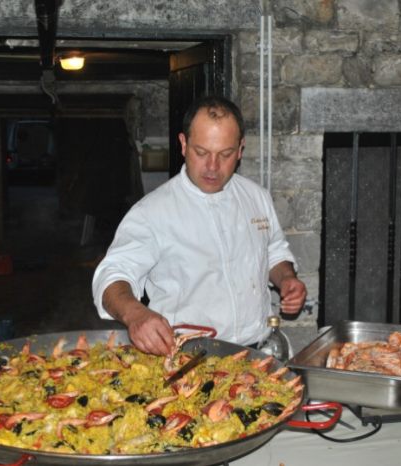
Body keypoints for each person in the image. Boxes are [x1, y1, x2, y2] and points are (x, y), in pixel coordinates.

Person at [91, 95, 307, 355]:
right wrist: (135, 314)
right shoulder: (152, 212)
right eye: (201, 152)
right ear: (183, 144)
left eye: (225, 154)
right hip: (190, 358)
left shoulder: (256, 196)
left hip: (259, 350)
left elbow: (273, 250)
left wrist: (286, 279)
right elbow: (112, 275)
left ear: (240, 149)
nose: (213, 166)